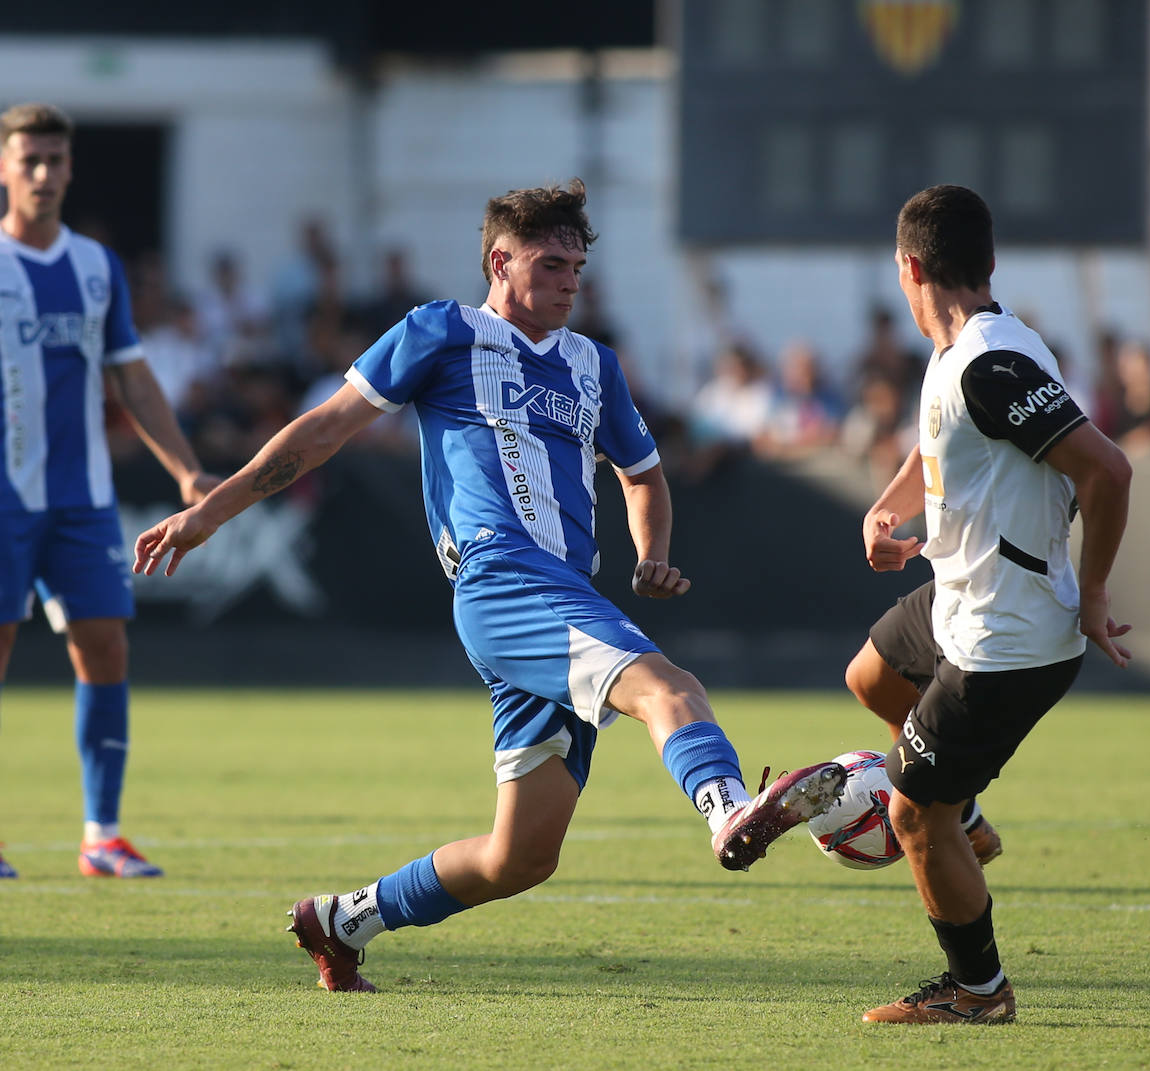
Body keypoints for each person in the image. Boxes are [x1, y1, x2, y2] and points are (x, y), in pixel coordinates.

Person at [132, 179, 845, 991]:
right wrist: (211, 511)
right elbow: (322, 429)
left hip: (566, 589)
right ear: (500, 261)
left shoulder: (594, 364)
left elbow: (643, 474)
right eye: (550, 263)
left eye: (577, 266)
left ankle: (340, 920)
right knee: (669, 686)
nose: (569, 280)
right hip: (503, 576)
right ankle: (728, 810)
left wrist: (651, 550)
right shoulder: (441, 331)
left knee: (521, 856)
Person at [842, 185, 1132, 1025]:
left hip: (1008, 637)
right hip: (963, 596)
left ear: (910, 266)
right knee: (872, 675)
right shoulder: (963, 348)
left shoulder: (989, 362)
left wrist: (1096, 590)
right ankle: (966, 817)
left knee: (907, 812)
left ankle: (978, 991)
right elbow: (941, 436)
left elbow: (1107, 470)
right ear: (988, 262)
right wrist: (893, 509)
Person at [0, 102, 219, 880]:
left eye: (55, 160)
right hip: (3, 495)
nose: (44, 174)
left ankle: (102, 832)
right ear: (4, 167)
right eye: (29, 159)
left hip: (81, 497)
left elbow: (131, 374)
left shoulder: (96, 266)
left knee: (105, 646)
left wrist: (187, 469)